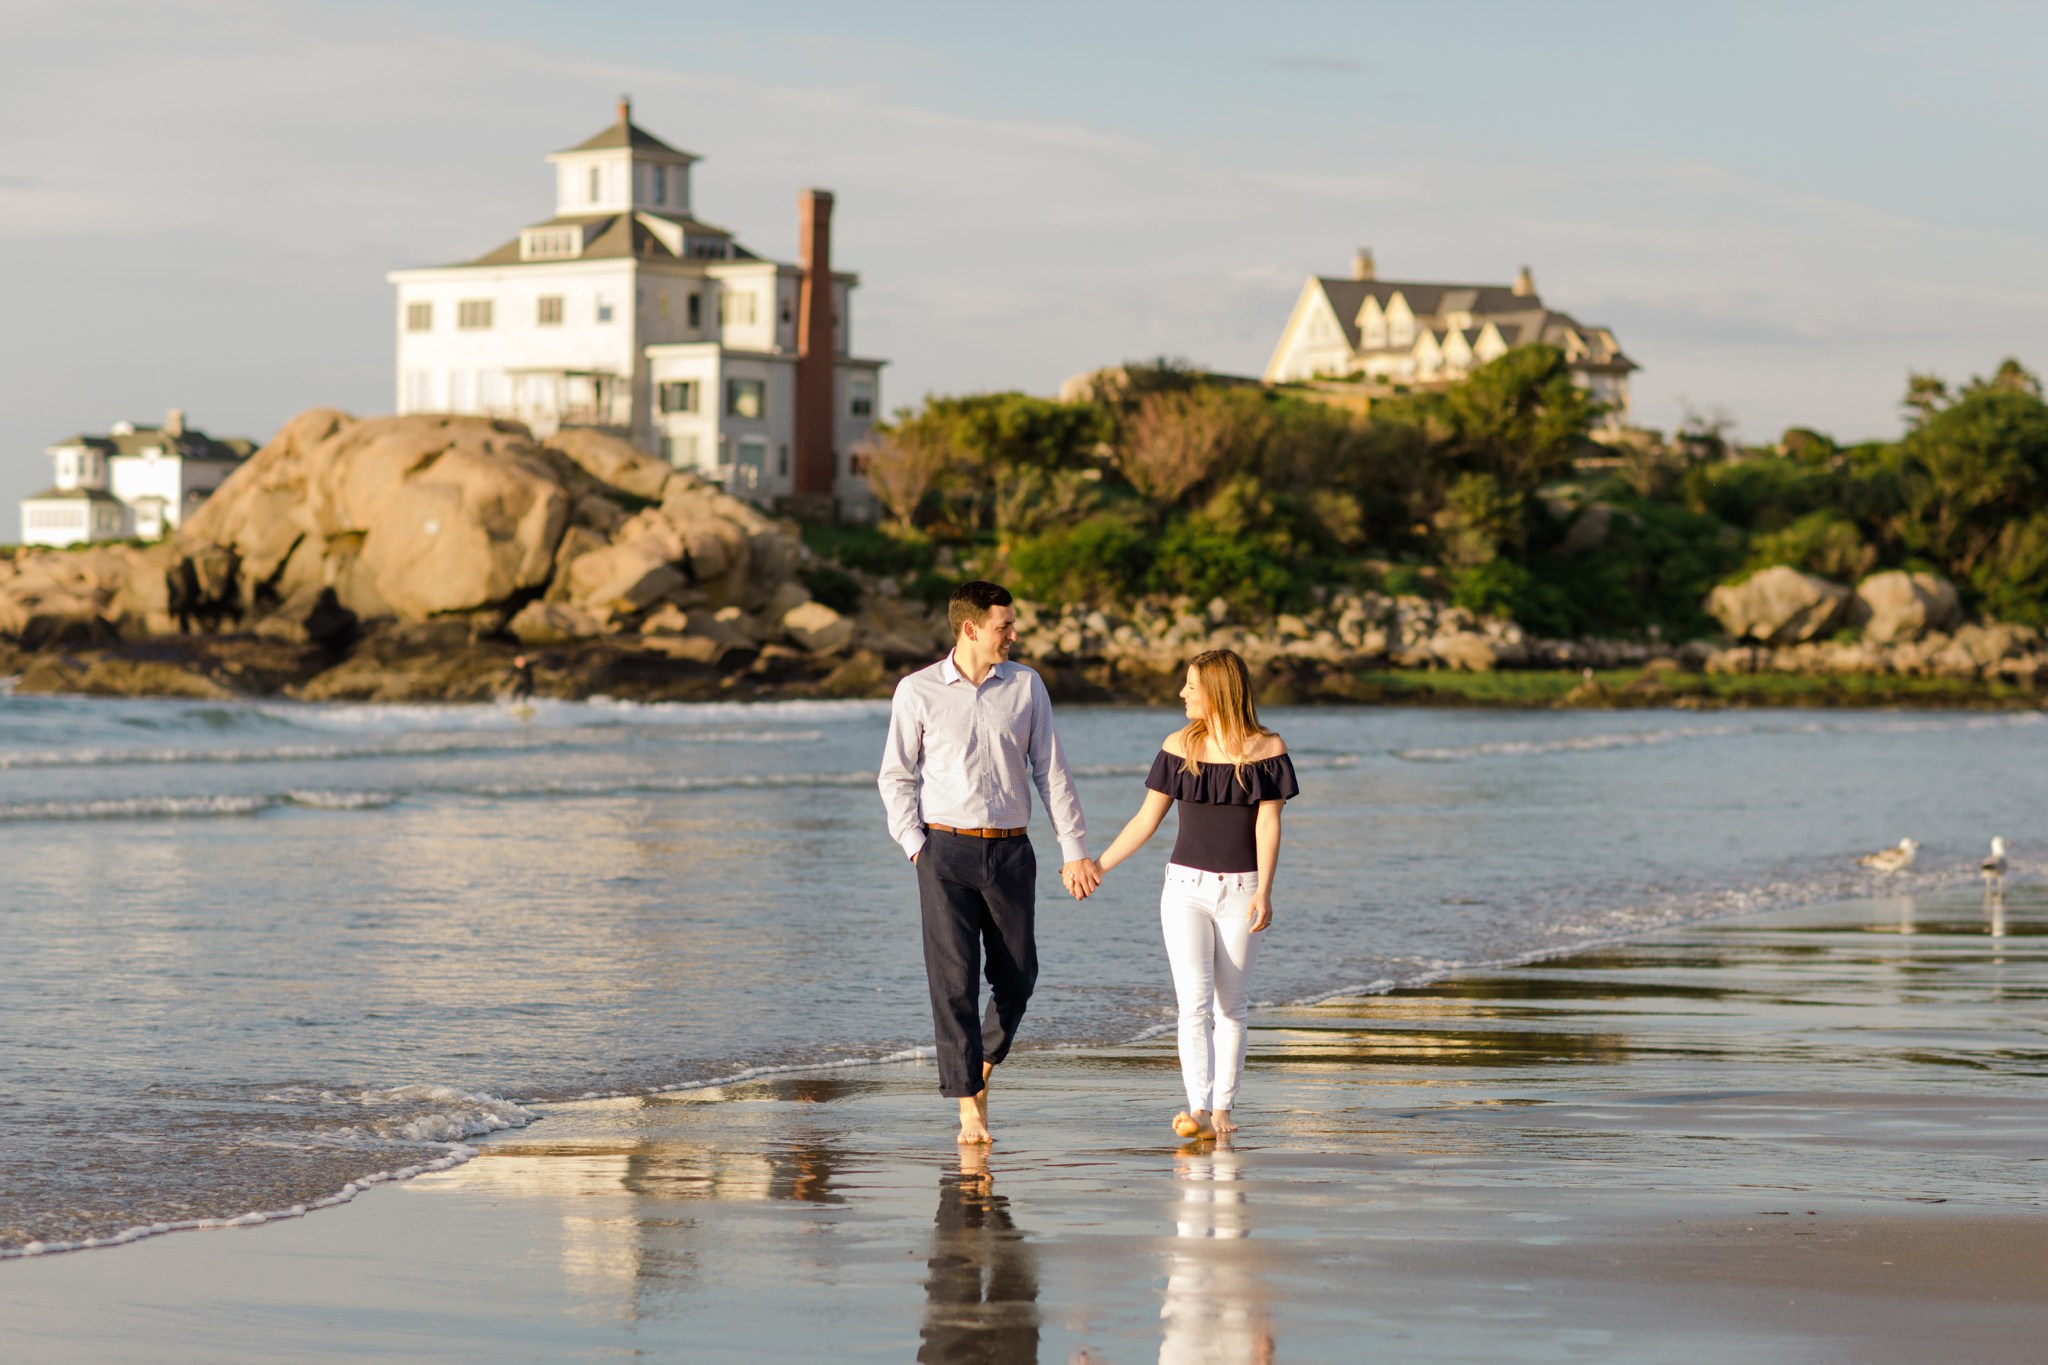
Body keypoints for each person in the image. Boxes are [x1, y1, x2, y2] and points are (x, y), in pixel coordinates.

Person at [879, 581, 1100, 1145]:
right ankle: (968, 1109)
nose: (1014, 635)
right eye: (1005, 626)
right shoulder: (918, 691)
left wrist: (1073, 849)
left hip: (1010, 851)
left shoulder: (1027, 686)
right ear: (971, 629)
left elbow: (1051, 771)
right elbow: (897, 775)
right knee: (953, 982)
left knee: (1018, 976)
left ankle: (979, 1064)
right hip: (943, 850)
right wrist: (914, 843)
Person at [1095, 649, 1296, 1139]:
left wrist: (1265, 891)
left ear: (1218, 691)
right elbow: (1146, 819)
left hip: (1243, 890)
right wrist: (1097, 865)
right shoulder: (1179, 745)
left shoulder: (1268, 748)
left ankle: (1222, 1109)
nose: (1182, 694)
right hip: (1184, 889)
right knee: (1193, 1005)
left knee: (1232, 1008)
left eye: (1191, 686)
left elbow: (1268, 825)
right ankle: (1198, 1109)